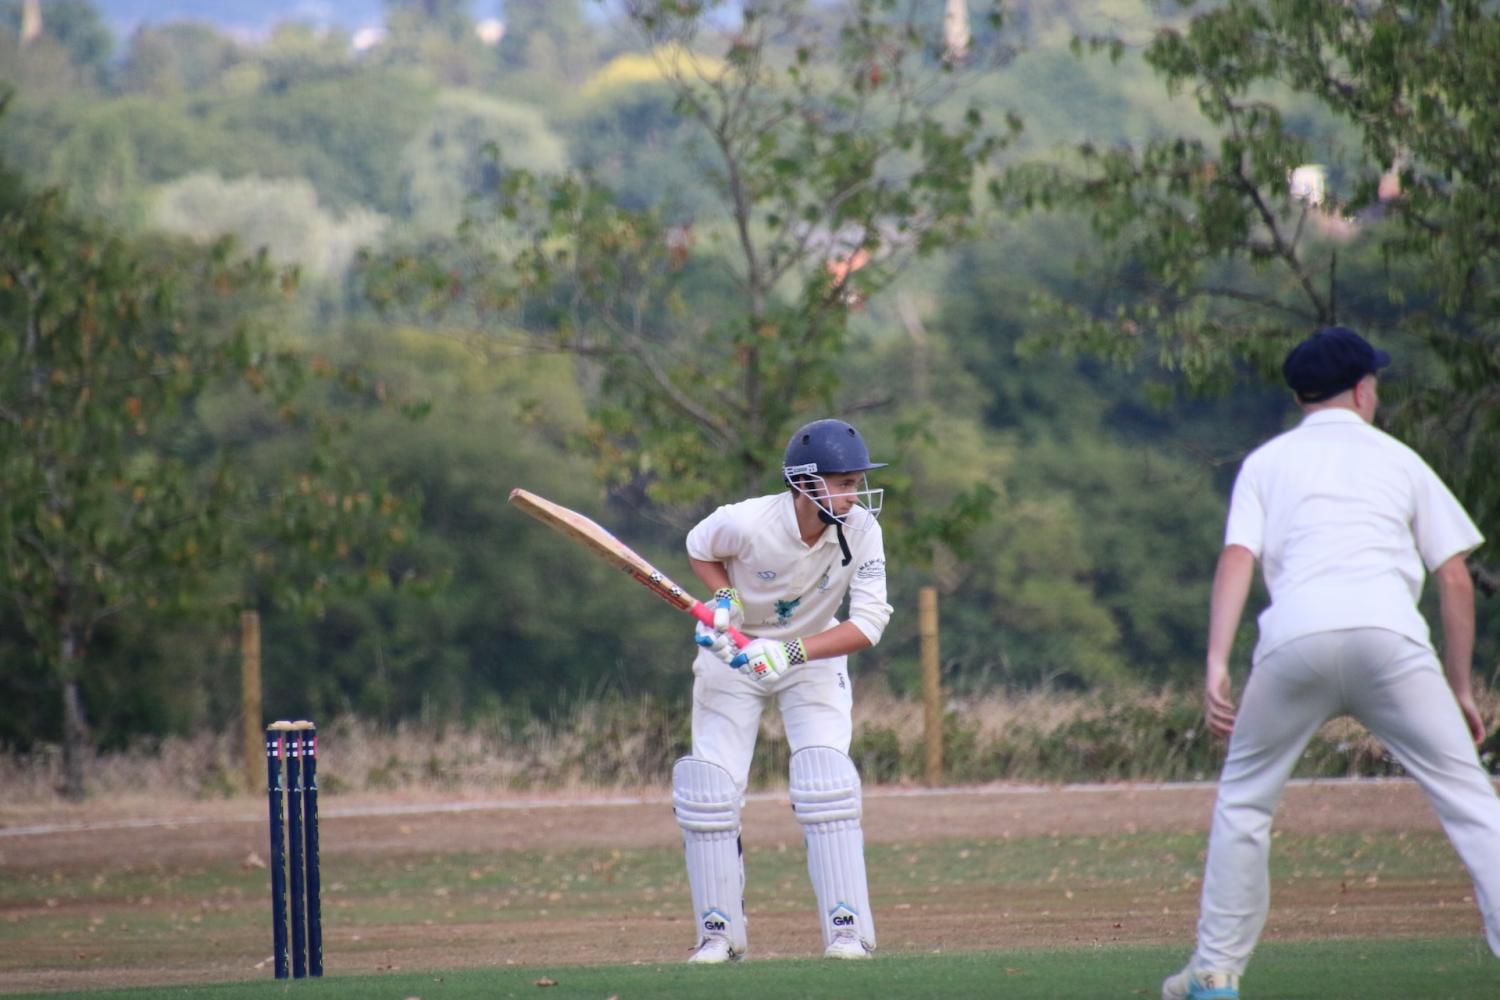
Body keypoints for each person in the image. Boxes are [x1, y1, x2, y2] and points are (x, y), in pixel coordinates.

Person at [1163, 326, 1500, 1000]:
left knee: (1245, 801)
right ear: (1362, 390)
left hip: (1293, 641)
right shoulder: (1400, 459)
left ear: (1299, 395)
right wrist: (1460, 687)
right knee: (1470, 801)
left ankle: (1215, 972)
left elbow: (1238, 558)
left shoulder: (1266, 463)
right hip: (1391, 640)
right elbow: (1455, 578)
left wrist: (1216, 664)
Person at [672, 417, 893, 963]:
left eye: (856, 481)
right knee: (711, 792)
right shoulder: (746, 522)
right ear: (806, 484)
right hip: (733, 657)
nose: (855, 493)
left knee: (826, 782)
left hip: (812, 655)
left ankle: (848, 931)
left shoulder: (863, 528)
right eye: (843, 482)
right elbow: (699, 547)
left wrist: (788, 651)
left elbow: (867, 625)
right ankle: (719, 934)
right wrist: (724, 602)